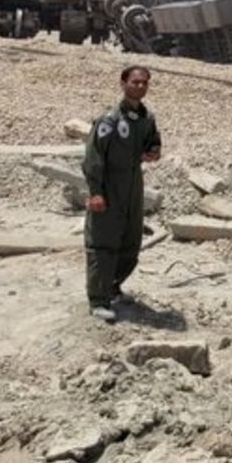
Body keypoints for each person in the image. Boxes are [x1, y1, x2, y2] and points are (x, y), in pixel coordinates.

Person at [82, 65, 162, 323]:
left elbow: (153, 141)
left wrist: (154, 151)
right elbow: (93, 158)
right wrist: (96, 192)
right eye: (135, 82)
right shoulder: (109, 120)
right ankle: (98, 300)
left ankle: (113, 287)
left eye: (144, 83)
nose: (139, 87)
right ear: (123, 83)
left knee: (130, 240)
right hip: (109, 184)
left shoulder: (146, 118)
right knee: (103, 244)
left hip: (132, 184)